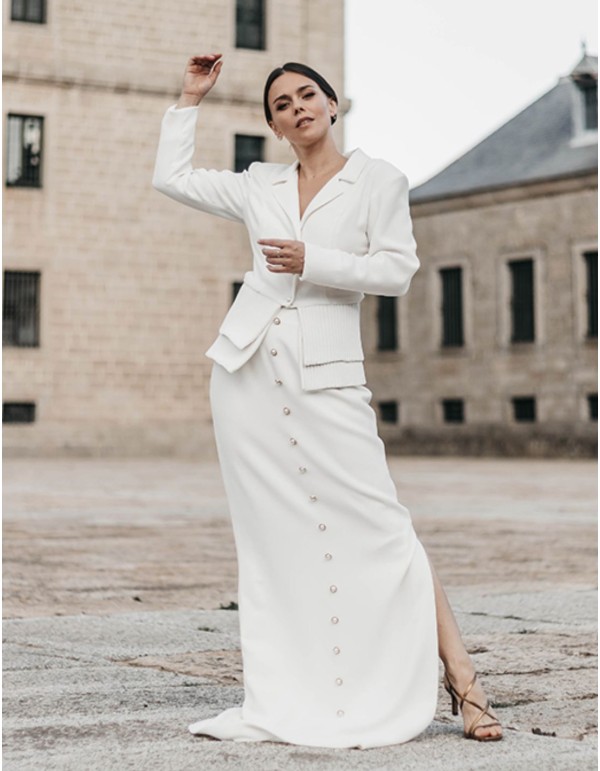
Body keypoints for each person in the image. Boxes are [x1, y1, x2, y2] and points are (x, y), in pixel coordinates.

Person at [152, 53, 503, 749]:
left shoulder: (380, 180)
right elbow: (172, 177)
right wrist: (191, 97)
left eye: (307, 94)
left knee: (386, 526)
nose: (297, 108)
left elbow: (396, 270)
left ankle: (465, 683)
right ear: (275, 127)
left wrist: (315, 260)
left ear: (333, 104)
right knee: (275, 543)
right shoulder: (260, 184)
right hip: (248, 374)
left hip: (330, 376)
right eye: (281, 104)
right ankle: (302, 686)